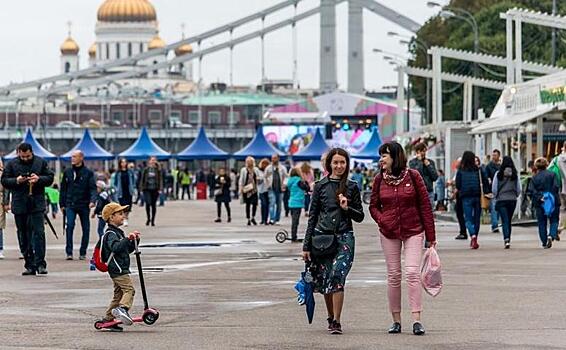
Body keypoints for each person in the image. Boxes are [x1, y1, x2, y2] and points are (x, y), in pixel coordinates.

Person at [369, 142, 436, 336]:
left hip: (413, 230)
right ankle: (396, 320)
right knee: (394, 275)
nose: (381, 159)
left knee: (413, 272)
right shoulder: (378, 180)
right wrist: (382, 220)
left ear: (396, 157)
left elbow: (425, 206)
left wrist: (431, 236)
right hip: (389, 232)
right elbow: (373, 206)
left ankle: (416, 320)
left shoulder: (413, 176)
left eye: (385, 155)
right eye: (380, 155)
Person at [302, 147, 364, 335]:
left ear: (347, 164)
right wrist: (306, 246)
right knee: (325, 279)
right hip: (322, 239)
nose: (339, 166)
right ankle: (330, 316)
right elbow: (312, 216)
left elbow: (360, 216)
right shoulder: (320, 186)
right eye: (335, 162)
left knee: (337, 275)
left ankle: (337, 320)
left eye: (342, 162)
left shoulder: (352, 186)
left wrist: (347, 208)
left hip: (345, 237)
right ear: (329, 164)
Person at [1, 142, 54, 275]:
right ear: (18, 153)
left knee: (39, 234)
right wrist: (16, 181)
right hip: (20, 204)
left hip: (37, 203)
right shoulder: (12, 164)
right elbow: (4, 180)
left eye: (27, 156)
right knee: (23, 235)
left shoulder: (40, 162)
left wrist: (39, 179)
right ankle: (29, 264)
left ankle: (40, 263)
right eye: (22, 156)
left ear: (31, 152)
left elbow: (50, 178)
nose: (25, 158)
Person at [99, 202, 140, 331]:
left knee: (118, 294)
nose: (123, 216)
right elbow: (115, 248)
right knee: (129, 290)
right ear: (111, 217)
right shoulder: (110, 234)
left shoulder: (118, 232)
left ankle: (108, 318)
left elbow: (126, 250)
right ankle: (122, 309)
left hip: (120, 268)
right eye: (120, 214)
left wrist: (134, 241)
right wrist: (126, 239)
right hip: (118, 269)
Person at [60, 150, 97, 260]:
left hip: (84, 204)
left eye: (75, 157)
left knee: (86, 228)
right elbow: (63, 189)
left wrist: (92, 201)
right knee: (70, 226)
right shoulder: (67, 172)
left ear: (81, 158)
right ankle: (69, 252)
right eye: (72, 157)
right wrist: (62, 204)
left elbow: (93, 188)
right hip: (70, 204)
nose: (72, 159)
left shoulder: (88, 173)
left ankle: (82, 252)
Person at [455, 151, 491, 249]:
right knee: (476, 218)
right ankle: (475, 236)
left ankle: (473, 235)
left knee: (468, 218)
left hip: (466, 196)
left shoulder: (461, 170)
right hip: (477, 195)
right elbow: (485, 181)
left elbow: (457, 184)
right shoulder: (478, 170)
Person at [528, 157, 561, 248]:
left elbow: (531, 190)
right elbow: (556, 186)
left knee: (542, 222)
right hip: (552, 200)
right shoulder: (552, 174)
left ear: (536, 166)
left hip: (540, 202)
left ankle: (544, 241)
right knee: (554, 220)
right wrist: (550, 196)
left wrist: (540, 197)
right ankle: (551, 234)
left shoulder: (534, 178)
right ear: (546, 164)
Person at [492, 156, 521, 249]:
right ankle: (508, 238)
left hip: (501, 200)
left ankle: (506, 239)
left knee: (504, 220)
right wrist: (515, 195)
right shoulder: (515, 175)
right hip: (512, 200)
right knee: (508, 220)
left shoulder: (498, 174)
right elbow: (518, 189)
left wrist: (496, 196)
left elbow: (494, 188)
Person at [408, 142, 438, 207]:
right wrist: (420, 162)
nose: (423, 153)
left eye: (424, 151)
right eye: (421, 151)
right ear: (417, 152)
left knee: (430, 213)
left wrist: (428, 165)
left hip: (429, 192)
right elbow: (415, 175)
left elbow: (435, 177)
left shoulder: (430, 162)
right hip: (417, 192)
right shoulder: (412, 162)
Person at [112, 158, 135, 227]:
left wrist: (133, 187)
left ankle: (126, 218)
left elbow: (133, 180)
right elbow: (115, 182)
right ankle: (124, 219)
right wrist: (116, 189)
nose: (123, 164)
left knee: (128, 206)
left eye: (125, 162)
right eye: (122, 162)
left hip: (128, 191)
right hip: (121, 191)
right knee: (122, 205)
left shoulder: (130, 172)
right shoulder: (118, 172)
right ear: (120, 164)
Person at [265, 154, 288, 225]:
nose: (273, 160)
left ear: (278, 159)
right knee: (272, 203)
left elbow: (286, 177)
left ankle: (277, 219)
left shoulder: (282, 168)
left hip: (280, 189)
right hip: (271, 189)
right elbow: (265, 177)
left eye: (274, 158)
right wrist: (267, 185)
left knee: (279, 205)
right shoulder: (268, 168)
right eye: (272, 158)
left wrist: (284, 184)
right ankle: (272, 219)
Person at [140, 157, 162, 226]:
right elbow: (142, 179)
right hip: (147, 189)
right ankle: (148, 218)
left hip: (155, 189)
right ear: (149, 161)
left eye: (154, 160)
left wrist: (160, 188)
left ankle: (152, 220)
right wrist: (141, 188)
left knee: (153, 205)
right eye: (152, 160)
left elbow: (160, 179)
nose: (153, 161)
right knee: (148, 203)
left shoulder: (158, 170)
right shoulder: (146, 169)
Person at [287, 167, 308, 242]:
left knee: (294, 220)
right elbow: (307, 188)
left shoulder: (290, 181)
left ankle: (294, 235)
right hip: (297, 203)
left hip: (291, 203)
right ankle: (294, 237)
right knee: (295, 222)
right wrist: (305, 181)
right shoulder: (299, 181)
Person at [239, 157, 261, 226]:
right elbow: (241, 179)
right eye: (248, 162)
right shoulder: (243, 170)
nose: (249, 163)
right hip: (246, 189)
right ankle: (248, 218)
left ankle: (253, 217)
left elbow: (259, 178)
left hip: (254, 189)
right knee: (248, 204)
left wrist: (258, 179)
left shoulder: (256, 169)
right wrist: (241, 188)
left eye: (250, 161)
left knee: (254, 203)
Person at [485, 149, 502, 233]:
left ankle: (496, 223)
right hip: (492, 189)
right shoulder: (489, 166)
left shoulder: (501, 166)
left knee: (498, 208)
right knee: (494, 208)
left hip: (501, 190)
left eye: (495, 155)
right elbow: (486, 177)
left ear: (499, 156)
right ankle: (495, 225)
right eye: (493, 155)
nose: (494, 157)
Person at [451, 158, 468, 240]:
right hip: (464, 194)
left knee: (460, 213)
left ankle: (463, 231)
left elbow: (458, 184)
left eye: (457, 162)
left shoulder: (460, 171)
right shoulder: (464, 170)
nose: (456, 164)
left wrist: (454, 193)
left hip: (461, 195)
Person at [552, 141, 566, 234]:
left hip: (561, 186)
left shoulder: (557, 159)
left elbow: (550, 170)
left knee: (562, 208)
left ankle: (560, 226)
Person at [257, 159, 270, 225]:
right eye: (263, 164)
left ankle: (266, 219)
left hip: (268, 190)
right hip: (261, 190)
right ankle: (263, 219)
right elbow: (257, 180)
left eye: (266, 164)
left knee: (267, 205)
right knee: (263, 204)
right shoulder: (258, 171)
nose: (264, 165)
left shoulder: (269, 171)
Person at [0, 158, 7, 259]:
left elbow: (6, 189)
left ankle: (0, 248)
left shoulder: (3, 174)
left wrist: (6, 203)